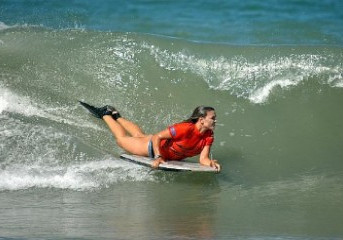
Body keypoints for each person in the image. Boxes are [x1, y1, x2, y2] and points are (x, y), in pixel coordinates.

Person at [82, 102, 221, 171]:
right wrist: (158, 157)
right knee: (121, 140)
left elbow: (203, 158)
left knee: (138, 135)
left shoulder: (208, 136)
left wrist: (211, 164)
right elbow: (157, 137)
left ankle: (116, 116)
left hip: (157, 147)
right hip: (150, 148)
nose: (215, 120)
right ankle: (105, 114)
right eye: (213, 118)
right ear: (201, 119)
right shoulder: (184, 129)